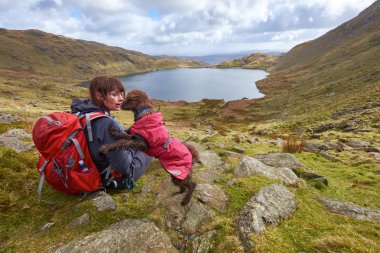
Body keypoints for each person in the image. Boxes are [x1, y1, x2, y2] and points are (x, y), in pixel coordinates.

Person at [71, 76, 152, 189]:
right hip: (107, 176)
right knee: (150, 146)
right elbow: (124, 167)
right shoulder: (105, 123)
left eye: (121, 94)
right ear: (99, 96)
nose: (121, 99)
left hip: (89, 166)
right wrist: (139, 145)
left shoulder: (83, 113)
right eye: (115, 95)